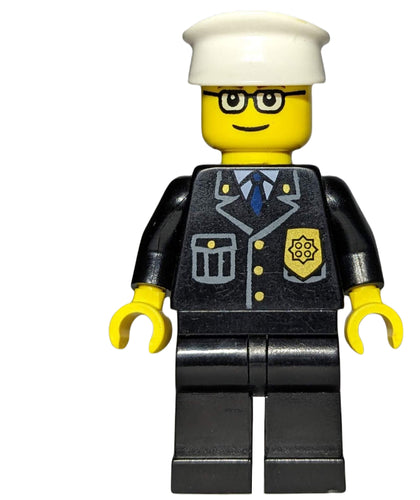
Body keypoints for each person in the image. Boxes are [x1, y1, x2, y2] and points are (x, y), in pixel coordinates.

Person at [110, 11, 403, 494]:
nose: (249, 112)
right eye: (229, 99)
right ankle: (209, 468)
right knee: (206, 394)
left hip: (304, 327)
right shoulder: (191, 192)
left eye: (271, 99)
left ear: (305, 100)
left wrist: (367, 302)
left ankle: (306, 467)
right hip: (210, 328)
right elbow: (158, 245)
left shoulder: (322, 193)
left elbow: (355, 244)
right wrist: (146, 302)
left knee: (308, 394)